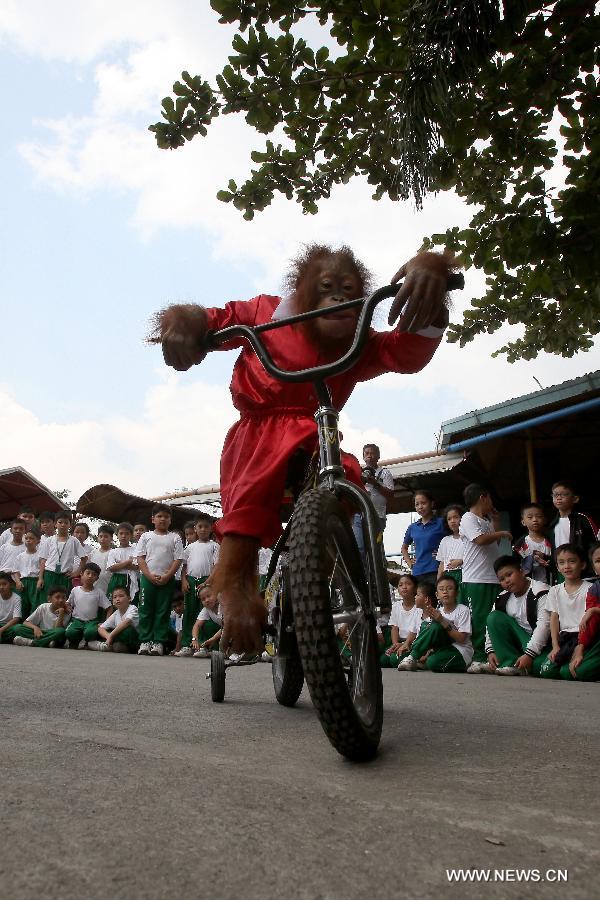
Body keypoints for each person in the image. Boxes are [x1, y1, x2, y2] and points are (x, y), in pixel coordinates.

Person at [152, 245, 454, 653]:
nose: (337, 299)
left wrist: (431, 284)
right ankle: (239, 590)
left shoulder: (357, 339)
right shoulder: (265, 313)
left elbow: (405, 352)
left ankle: (322, 574)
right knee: (251, 493)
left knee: (346, 480)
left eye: (348, 292)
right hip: (258, 433)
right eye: (327, 288)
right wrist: (183, 325)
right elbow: (213, 319)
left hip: (318, 431)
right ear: (304, 292)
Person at [458, 484, 511, 673]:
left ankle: (494, 656)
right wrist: (503, 532)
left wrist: (496, 523)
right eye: (490, 499)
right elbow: (480, 540)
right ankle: (478, 657)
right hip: (476, 578)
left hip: (492, 577)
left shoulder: (486, 521)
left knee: (493, 617)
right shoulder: (468, 517)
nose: (492, 503)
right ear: (483, 497)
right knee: (479, 619)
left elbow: (492, 542)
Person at [484, 555, 550, 676]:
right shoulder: (502, 597)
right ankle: (509, 663)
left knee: (542, 667)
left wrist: (529, 654)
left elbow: (544, 626)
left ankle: (520, 664)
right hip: (520, 643)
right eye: (502, 579)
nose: (506, 581)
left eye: (509, 575)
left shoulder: (541, 592)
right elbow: (490, 626)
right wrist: (490, 650)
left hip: (542, 645)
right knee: (494, 617)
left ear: (522, 571)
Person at [136, 504, 184, 657]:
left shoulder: (175, 537)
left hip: (167, 580)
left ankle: (158, 642)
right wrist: (149, 575)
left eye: (166, 516)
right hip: (147, 579)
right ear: (153, 519)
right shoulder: (146, 536)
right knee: (145, 610)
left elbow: (178, 559)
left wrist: (168, 575)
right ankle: (145, 641)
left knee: (162, 611)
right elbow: (140, 558)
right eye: (159, 516)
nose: (162, 519)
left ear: (170, 520)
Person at [398, 574, 473, 672]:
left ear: (456, 593)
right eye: (441, 589)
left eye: (449, 588)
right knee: (428, 625)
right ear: (437, 595)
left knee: (432, 662)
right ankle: (412, 657)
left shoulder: (463, 610)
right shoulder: (438, 610)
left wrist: (442, 620)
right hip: (441, 649)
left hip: (460, 650)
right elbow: (429, 633)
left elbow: (462, 639)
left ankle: (413, 658)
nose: (445, 592)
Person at [540, 544, 590, 679]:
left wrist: (581, 645)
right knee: (545, 671)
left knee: (568, 673)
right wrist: (555, 646)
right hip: (564, 638)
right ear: (557, 567)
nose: (566, 566)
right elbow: (554, 619)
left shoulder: (590, 589)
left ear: (583, 565)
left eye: (572, 561)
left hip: (583, 637)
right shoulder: (555, 590)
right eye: (561, 563)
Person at [175, 514, 219, 657]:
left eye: (206, 526)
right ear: (195, 528)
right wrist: (184, 580)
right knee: (189, 612)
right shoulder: (190, 547)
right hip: (191, 581)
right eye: (200, 526)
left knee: (205, 614)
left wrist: (207, 582)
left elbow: (216, 567)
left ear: (211, 528)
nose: (203, 529)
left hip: (207, 582)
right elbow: (184, 567)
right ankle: (188, 644)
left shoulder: (214, 546)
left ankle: (204, 646)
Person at [352, 444, 395, 558]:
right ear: (363, 457)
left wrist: (375, 483)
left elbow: (390, 494)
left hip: (378, 517)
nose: (369, 456)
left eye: (372, 453)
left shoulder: (385, 473)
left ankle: (374, 574)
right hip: (359, 515)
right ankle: (362, 575)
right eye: (367, 454)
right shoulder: (358, 472)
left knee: (374, 549)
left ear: (378, 456)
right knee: (359, 547)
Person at [548, 482, 598, 577]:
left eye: (564, 494)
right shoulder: (553, 525)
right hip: (562, 571)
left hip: (584, 572)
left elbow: (595, 544)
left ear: (575, 499)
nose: (558, 497)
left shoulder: (583, 520)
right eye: (555, 495)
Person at [38, 512, 87, 603]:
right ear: (55, 524)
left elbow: (84, 558)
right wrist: (40, 578)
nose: (63, 525)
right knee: (46, 601)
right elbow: (43, 560)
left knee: (63, 601)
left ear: (70, 525)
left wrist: (77, 572)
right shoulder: (49, 540)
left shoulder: (74, 541)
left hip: (65, 576)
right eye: (60, 522)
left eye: (66, 522)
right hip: (49, 574)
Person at [568, 542, 600, 680]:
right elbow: (590, 623)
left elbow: (592, 612)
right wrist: (580, 647)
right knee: (578, 671)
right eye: (599, 561)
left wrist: (594, 610)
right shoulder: (595, 589)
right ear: (594, 568)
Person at [401, 490, 445, 584]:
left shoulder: (441, 523)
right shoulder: (412, 527)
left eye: (423, 503)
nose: (420, 507)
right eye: (417, 504)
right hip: (418, 572)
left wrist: (443, 554)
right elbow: (404, 548)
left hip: (437, 570)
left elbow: (453, 540)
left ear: (432, 504)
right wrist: (409, 563)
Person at [64, 562, 111, 649]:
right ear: (81, 574)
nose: (90, 576)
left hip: (91, 621)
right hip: (76, 621)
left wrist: (105, 624)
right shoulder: (75, 590)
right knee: (70, 633)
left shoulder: (98, 592)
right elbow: (68, 603)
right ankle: (77, 642)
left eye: (94, 574)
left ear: (97, 578)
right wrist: (67, 608)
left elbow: (109, 608)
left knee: (90, 633)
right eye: (88, 573)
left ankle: (87, 642)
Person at [380, 573, 421, 667]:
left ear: (415, 588)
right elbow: (394, 628)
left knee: (394, 660)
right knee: (382, 660)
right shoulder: (396, 606)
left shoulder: (418, 606)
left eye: (408, 584)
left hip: (413, 642)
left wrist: (405, 644)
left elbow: (415, 630)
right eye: (400, 585)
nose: (404, 587)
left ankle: (415, 659)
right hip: (399, 642)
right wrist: (395, 644)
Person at [512, 502, 552, 584]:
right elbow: (516, 567)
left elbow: (557, 561)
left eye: (539, 516)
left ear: (544, 520)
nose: (535, 520)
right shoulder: (519, 545)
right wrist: (532, 559)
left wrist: (545, 558)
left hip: (551, 585)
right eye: (530, 517)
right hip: (528, 587)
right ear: (523, 522)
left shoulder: (552, 540)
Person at [95, 586, 140, 653]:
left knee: (126, 630)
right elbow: (100, 628)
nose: (117, 599)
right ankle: (109, 645)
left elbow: (127, 622)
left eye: (121, 596)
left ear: (129, 598)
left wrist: (111, 635)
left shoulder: (133, 608)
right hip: (119, 639)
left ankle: (107, 646)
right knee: (97, 631)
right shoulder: (116, 613)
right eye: (115, 597)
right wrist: (109, 637)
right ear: (112, 601)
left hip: (134, 640)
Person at [11, 529, 42, 617]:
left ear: (38, 541)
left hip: (35, 582)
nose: (28, 540)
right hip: (23, 583)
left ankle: (32, 624)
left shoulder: (40, 556)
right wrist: (17, 581)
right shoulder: (20, 556)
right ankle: (21, 624)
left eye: (31, 538)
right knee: (23, 604)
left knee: (35, 603)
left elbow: (42, 570)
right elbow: (15, 571)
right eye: (26, 538)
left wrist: (40, 580)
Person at [106, 522, 138, 601]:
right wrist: (128, 561)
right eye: (121, 533)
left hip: (131, 579)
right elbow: (111, 568)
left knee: (131, 602)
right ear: (117, 535)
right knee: (115, 602)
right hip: (116, 579)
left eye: (127, 534)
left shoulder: (135, 550)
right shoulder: (113, 551)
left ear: (131, 535)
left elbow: (136, 566)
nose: (124, 536)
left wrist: (118, 564)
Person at [435, 504, 465, 584]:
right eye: (449, 519)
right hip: (447, 576)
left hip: (464, 575)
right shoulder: (445, 540)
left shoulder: (468, 539)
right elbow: (442, 564)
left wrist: (461, 561)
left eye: (456, 517)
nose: (452, 521)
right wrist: (438, 582)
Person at [191, 592, 223, 658]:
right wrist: (194, 639)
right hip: (226, 629)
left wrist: (213, 638)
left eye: (209, 596)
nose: (207, 600)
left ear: (216, 595)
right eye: (203, 599)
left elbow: (227, 626)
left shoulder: (223, 605)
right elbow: (196, 626)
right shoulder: (206, 609)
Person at [88, 524, 114, 595]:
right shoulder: (92, 553)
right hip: (93, 584)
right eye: (101, 536)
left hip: (108, 585)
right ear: (97, 537)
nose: (103, 539)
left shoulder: (113, 553)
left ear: (111, 538)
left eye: (106, 536)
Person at [0, 572, 22, 643]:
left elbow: (16, 619)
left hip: (9, 626)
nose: (1, 587)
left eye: (4, 584)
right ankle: (8, 639)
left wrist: (2, 629)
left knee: (18, 628)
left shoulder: (16, 598)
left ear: (11, 585)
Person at [72, 522, 93, 587]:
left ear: (86, 535)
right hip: (66, 575)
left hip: (81, 579)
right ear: (72, 533)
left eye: (82, 532)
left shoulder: (90, 550)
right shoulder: (67, 547)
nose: (79, 535)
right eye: (77, 532)